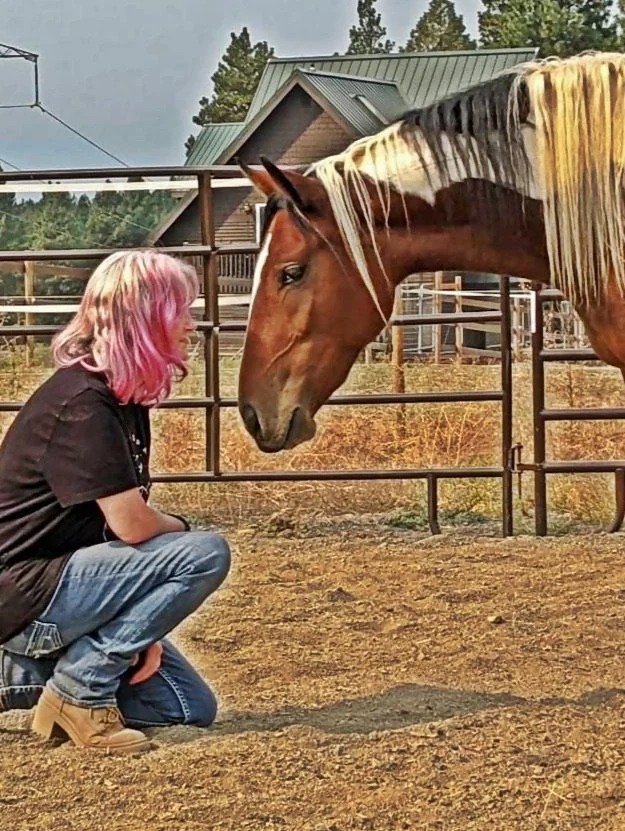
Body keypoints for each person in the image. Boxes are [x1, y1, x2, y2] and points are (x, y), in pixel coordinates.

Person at [0, 250, 231, 754]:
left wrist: (139, 625)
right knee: (204, 551)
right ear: (148, 319)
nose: (191, 325)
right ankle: (79, 691)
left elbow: (115, 539)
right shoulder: (82, 404)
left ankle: (18, 678)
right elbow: (131, 526)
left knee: (184, 708)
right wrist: (181, 527)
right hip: (29, 595)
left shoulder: (117, 398)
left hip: (65, 594)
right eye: (182, 310)